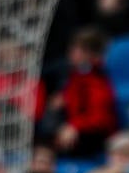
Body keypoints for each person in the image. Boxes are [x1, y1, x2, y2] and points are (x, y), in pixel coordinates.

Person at [40, 28, 118, 159]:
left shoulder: (96, 78)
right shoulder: (76, 74)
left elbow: (99, 118)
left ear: (88, 53)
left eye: (74, 49)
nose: (70, 53)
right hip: (75, 128)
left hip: (92, 136)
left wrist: (74, 126)